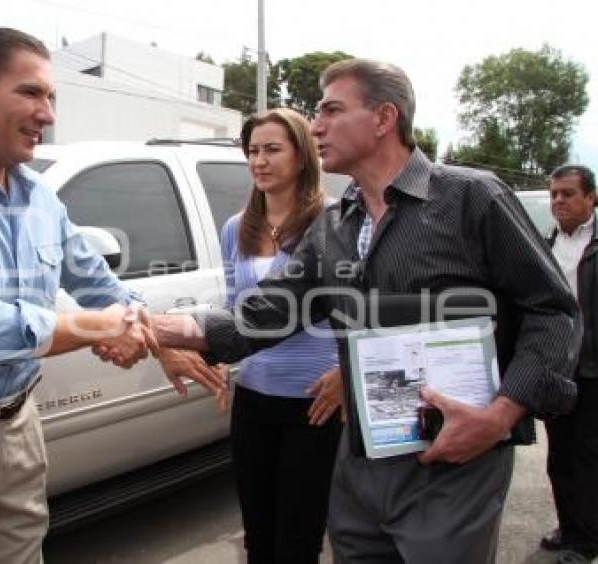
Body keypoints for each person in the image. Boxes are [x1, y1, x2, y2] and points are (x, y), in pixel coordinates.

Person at [133, 58, 579, 563]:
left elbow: (553, 312)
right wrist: (154, 326)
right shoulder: (335, 226)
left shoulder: (471, 198)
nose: (316, 126)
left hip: (454, 457)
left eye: (331, 110)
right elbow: (262, 314)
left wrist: (500, 415)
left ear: (384, 118)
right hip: (362, 462)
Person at [0, 28, 218, 564]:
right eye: (31, 93)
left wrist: (156, 337)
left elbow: (100, 285)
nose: (47, 112)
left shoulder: (39, 198)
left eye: (51, 97)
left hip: (20, 429)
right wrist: (99, 328)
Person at [220, 107, 342, 563]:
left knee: (298, 539)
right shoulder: (237, 228)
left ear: (302, 154)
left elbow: (357, 309)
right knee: (258, 537)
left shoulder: (333, 222)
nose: (260, 160)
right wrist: (219, 361)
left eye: (272, 149)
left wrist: (346, 371)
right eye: (252, 150)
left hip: (314, 402)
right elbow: (237, 308)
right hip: (252, 398)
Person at [542, 164, 598, 564]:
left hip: (592, 369)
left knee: (588, 457)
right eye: (554, 194)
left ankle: (586, 541)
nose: (559, 201)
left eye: (568, 194)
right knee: (559, 456)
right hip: (556, 369)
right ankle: (569, 528)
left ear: (591, 198)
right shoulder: (545, 244)